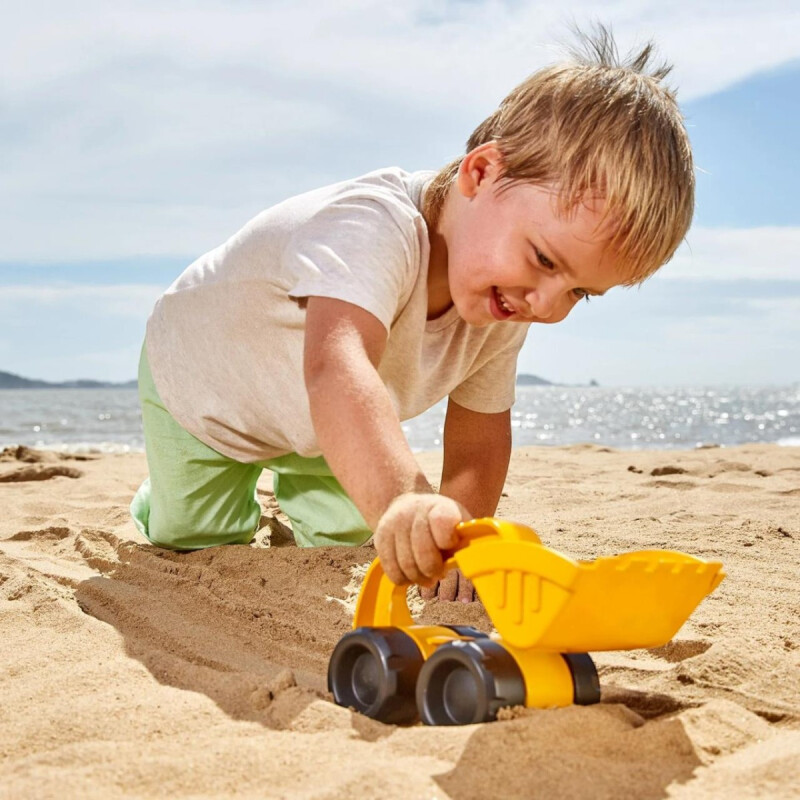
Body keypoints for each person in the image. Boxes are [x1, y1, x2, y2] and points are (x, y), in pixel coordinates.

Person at [131, 25, 694, 602]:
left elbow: (479, 435)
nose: (548, 305)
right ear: (481, 173)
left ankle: (303, 490)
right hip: (206, 389)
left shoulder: (508, 301)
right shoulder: (372, 228)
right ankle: (161, 496)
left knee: (348, 540)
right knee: (195, 538)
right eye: (545, 259)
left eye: (582, 293)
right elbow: (336, 367)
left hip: (322, 427)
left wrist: (456, 539)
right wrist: (404, 496)